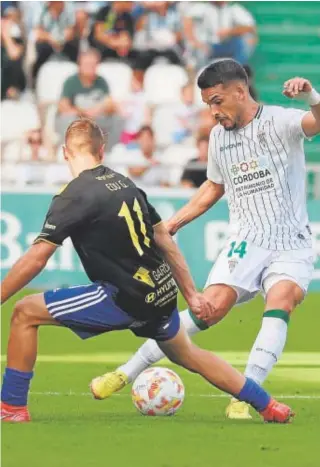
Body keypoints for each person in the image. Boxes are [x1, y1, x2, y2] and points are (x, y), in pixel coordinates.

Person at [1, 117, 292, 424]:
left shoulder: (74, 195)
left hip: (123, 296)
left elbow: (37, 257)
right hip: (161, 292)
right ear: (102, 151)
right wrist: (191, 295)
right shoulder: (125, 184)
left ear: (64, 152)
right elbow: (163, 237)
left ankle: (11, 408)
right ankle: (267, 404)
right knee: (188, 354)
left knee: (24, 312)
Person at [95, 59, 320, 420]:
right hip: (246, 240)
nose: (213, 112)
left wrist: (311, 94)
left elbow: (317, 120)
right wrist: (172, 224)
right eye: (208, 105)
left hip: (290, 243)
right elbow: (214, 186)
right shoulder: (218, 138)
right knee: (208, 308)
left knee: (281, 301)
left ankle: (247, 394)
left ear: (239, 91)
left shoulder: (280, 122)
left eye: (217, 101)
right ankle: (126, 372)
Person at [55, 48, 116, 145]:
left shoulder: (101, 82)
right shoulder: (71, 82)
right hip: (77, 119)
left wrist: (97, 110)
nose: (90, 67)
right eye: (87, 64)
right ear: (80, 65)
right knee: (67, 119)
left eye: (93, 64)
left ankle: (109, 151)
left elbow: (110, 104)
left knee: (116, 119)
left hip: (97, 119)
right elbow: (63, 106)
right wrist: (83, 113)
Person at [32, 1, 78, 80]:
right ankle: (36, 79)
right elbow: (38, 32)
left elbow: (71, 30)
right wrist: (52, 39)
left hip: (64, 40)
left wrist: (60, 41)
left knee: (74, 45)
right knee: (42, 48)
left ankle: (76, 76)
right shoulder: (40, 7)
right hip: (47, 40)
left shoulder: (69, 6)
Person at [1, 6, 26, 99]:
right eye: (7, 18)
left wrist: (6, 34)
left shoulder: (17, 38)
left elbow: (14, 54)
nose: (10, 22)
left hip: (9, 88)